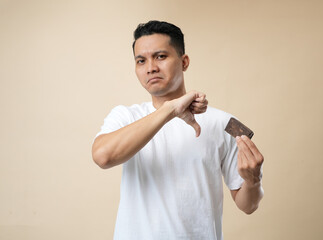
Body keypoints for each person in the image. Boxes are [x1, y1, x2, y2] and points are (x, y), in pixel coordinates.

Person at [92, 20, 264, 240]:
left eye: (160, 56)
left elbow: (248, 205)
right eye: (141, 61)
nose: (151, 67)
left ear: (184, 62)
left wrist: (253, 180)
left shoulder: (227, 123)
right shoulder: (125, 117)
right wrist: (170, 109)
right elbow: (102, 157)